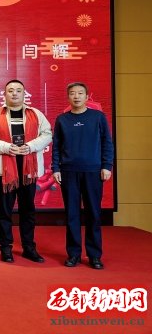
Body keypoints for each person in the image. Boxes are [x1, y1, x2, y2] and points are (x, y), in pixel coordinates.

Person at [0, 79, 52, 263]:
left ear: (24, 93)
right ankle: (6, 248)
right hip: (6, 170)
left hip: (29, 169)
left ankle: (29, 248)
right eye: (10, 90)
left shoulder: (35, 113)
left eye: (18, 90)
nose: (14, 93)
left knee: (28, 210)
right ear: (5, 94)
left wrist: (31, 146)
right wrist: (6, 147)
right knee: (5, 211)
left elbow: (47, 134)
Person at [52, 82, 114, 270]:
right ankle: (74, 254)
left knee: (93, 214)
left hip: (93, 171)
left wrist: (107, 165)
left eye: (80, 93)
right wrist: (55, 168)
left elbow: (107, 142)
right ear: (68, 97)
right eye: (72, 93)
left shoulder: (98, 117)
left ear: (87, 97)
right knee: (72, 214)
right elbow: (56, 146)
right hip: (68, 172)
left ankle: (94, 256)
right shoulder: (62, 119)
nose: (76, 96)